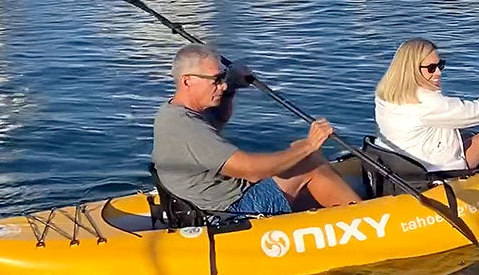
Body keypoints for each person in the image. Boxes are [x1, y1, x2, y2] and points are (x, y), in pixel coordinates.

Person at [152, 43, 361, 215]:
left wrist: (232, 86)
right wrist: (309, 145)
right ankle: (365, 221)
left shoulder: (176, 112)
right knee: (309, 160)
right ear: (187, 81)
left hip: (223, 196)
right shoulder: (185, 127)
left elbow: (218, 119)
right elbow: (251, 171)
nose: (222, 85)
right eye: (216, 80)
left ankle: (338, 214)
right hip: (231, 209)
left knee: (303, 155)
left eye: (223, 77)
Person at [374, 38, 479, 172]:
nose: (438, 72)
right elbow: (476, 113)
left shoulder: (386, 94)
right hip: (432, 170)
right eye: (431, 68)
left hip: (403, 162)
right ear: (412, 69)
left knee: (467, 136)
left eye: (440, 65)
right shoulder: (427, 102)